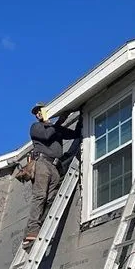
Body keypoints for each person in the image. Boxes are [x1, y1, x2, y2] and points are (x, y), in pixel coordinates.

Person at [16, 103, 82, 247]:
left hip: (55, 167)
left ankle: (42, 227)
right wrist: (60, 121)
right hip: (42, 163)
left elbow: (75, 134)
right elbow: (47, 136)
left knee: (51, 198)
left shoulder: (56, 129)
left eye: (41, 110)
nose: (38, 113)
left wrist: (82, 116)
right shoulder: (36, 127)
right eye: (37, 112)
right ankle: (32, 230)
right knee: (40, 196)